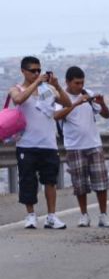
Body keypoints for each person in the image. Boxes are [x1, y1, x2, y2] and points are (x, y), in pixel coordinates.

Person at [9, 56, 72, 229]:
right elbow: (18, 100)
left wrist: (57, 86)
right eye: (33, 71)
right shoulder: (17, 88)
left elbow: (67, 103)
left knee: (50, 181)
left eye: (39, 70)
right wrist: (36, 83)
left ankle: (51, 216)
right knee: (28, 181)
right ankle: (30, 215)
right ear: (23, 71)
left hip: (48, 143)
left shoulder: (48, 90)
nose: (37, 73)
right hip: (26, 143)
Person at [53, 66, 109, 228]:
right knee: (80, 184)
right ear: (68, 82)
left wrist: (102, 104)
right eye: (76, 83)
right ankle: (84, 214)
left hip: (94, 144)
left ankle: (103, 215)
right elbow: (57, 116)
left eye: (82, 83)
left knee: (101, 182)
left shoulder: (88, 94)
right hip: (74, 146)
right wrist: (75, 103)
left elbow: (106, 115)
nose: (80, 86)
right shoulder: (61, 98)